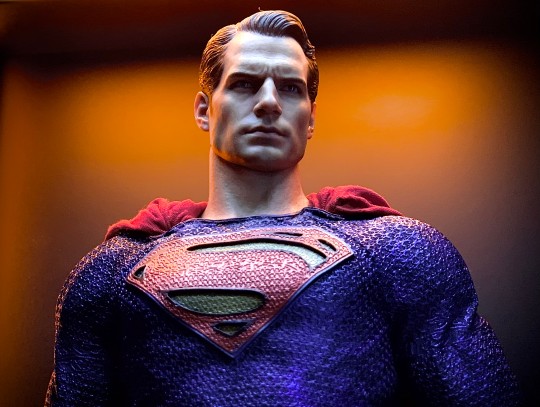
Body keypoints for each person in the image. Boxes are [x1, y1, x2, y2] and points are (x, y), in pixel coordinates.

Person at [45, 10, 519, 406]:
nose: (269, 102)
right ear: (204, 110)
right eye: (245, 84)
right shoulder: (112, 272)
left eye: (290, 88)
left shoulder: (398, 253)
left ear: (310, 118)